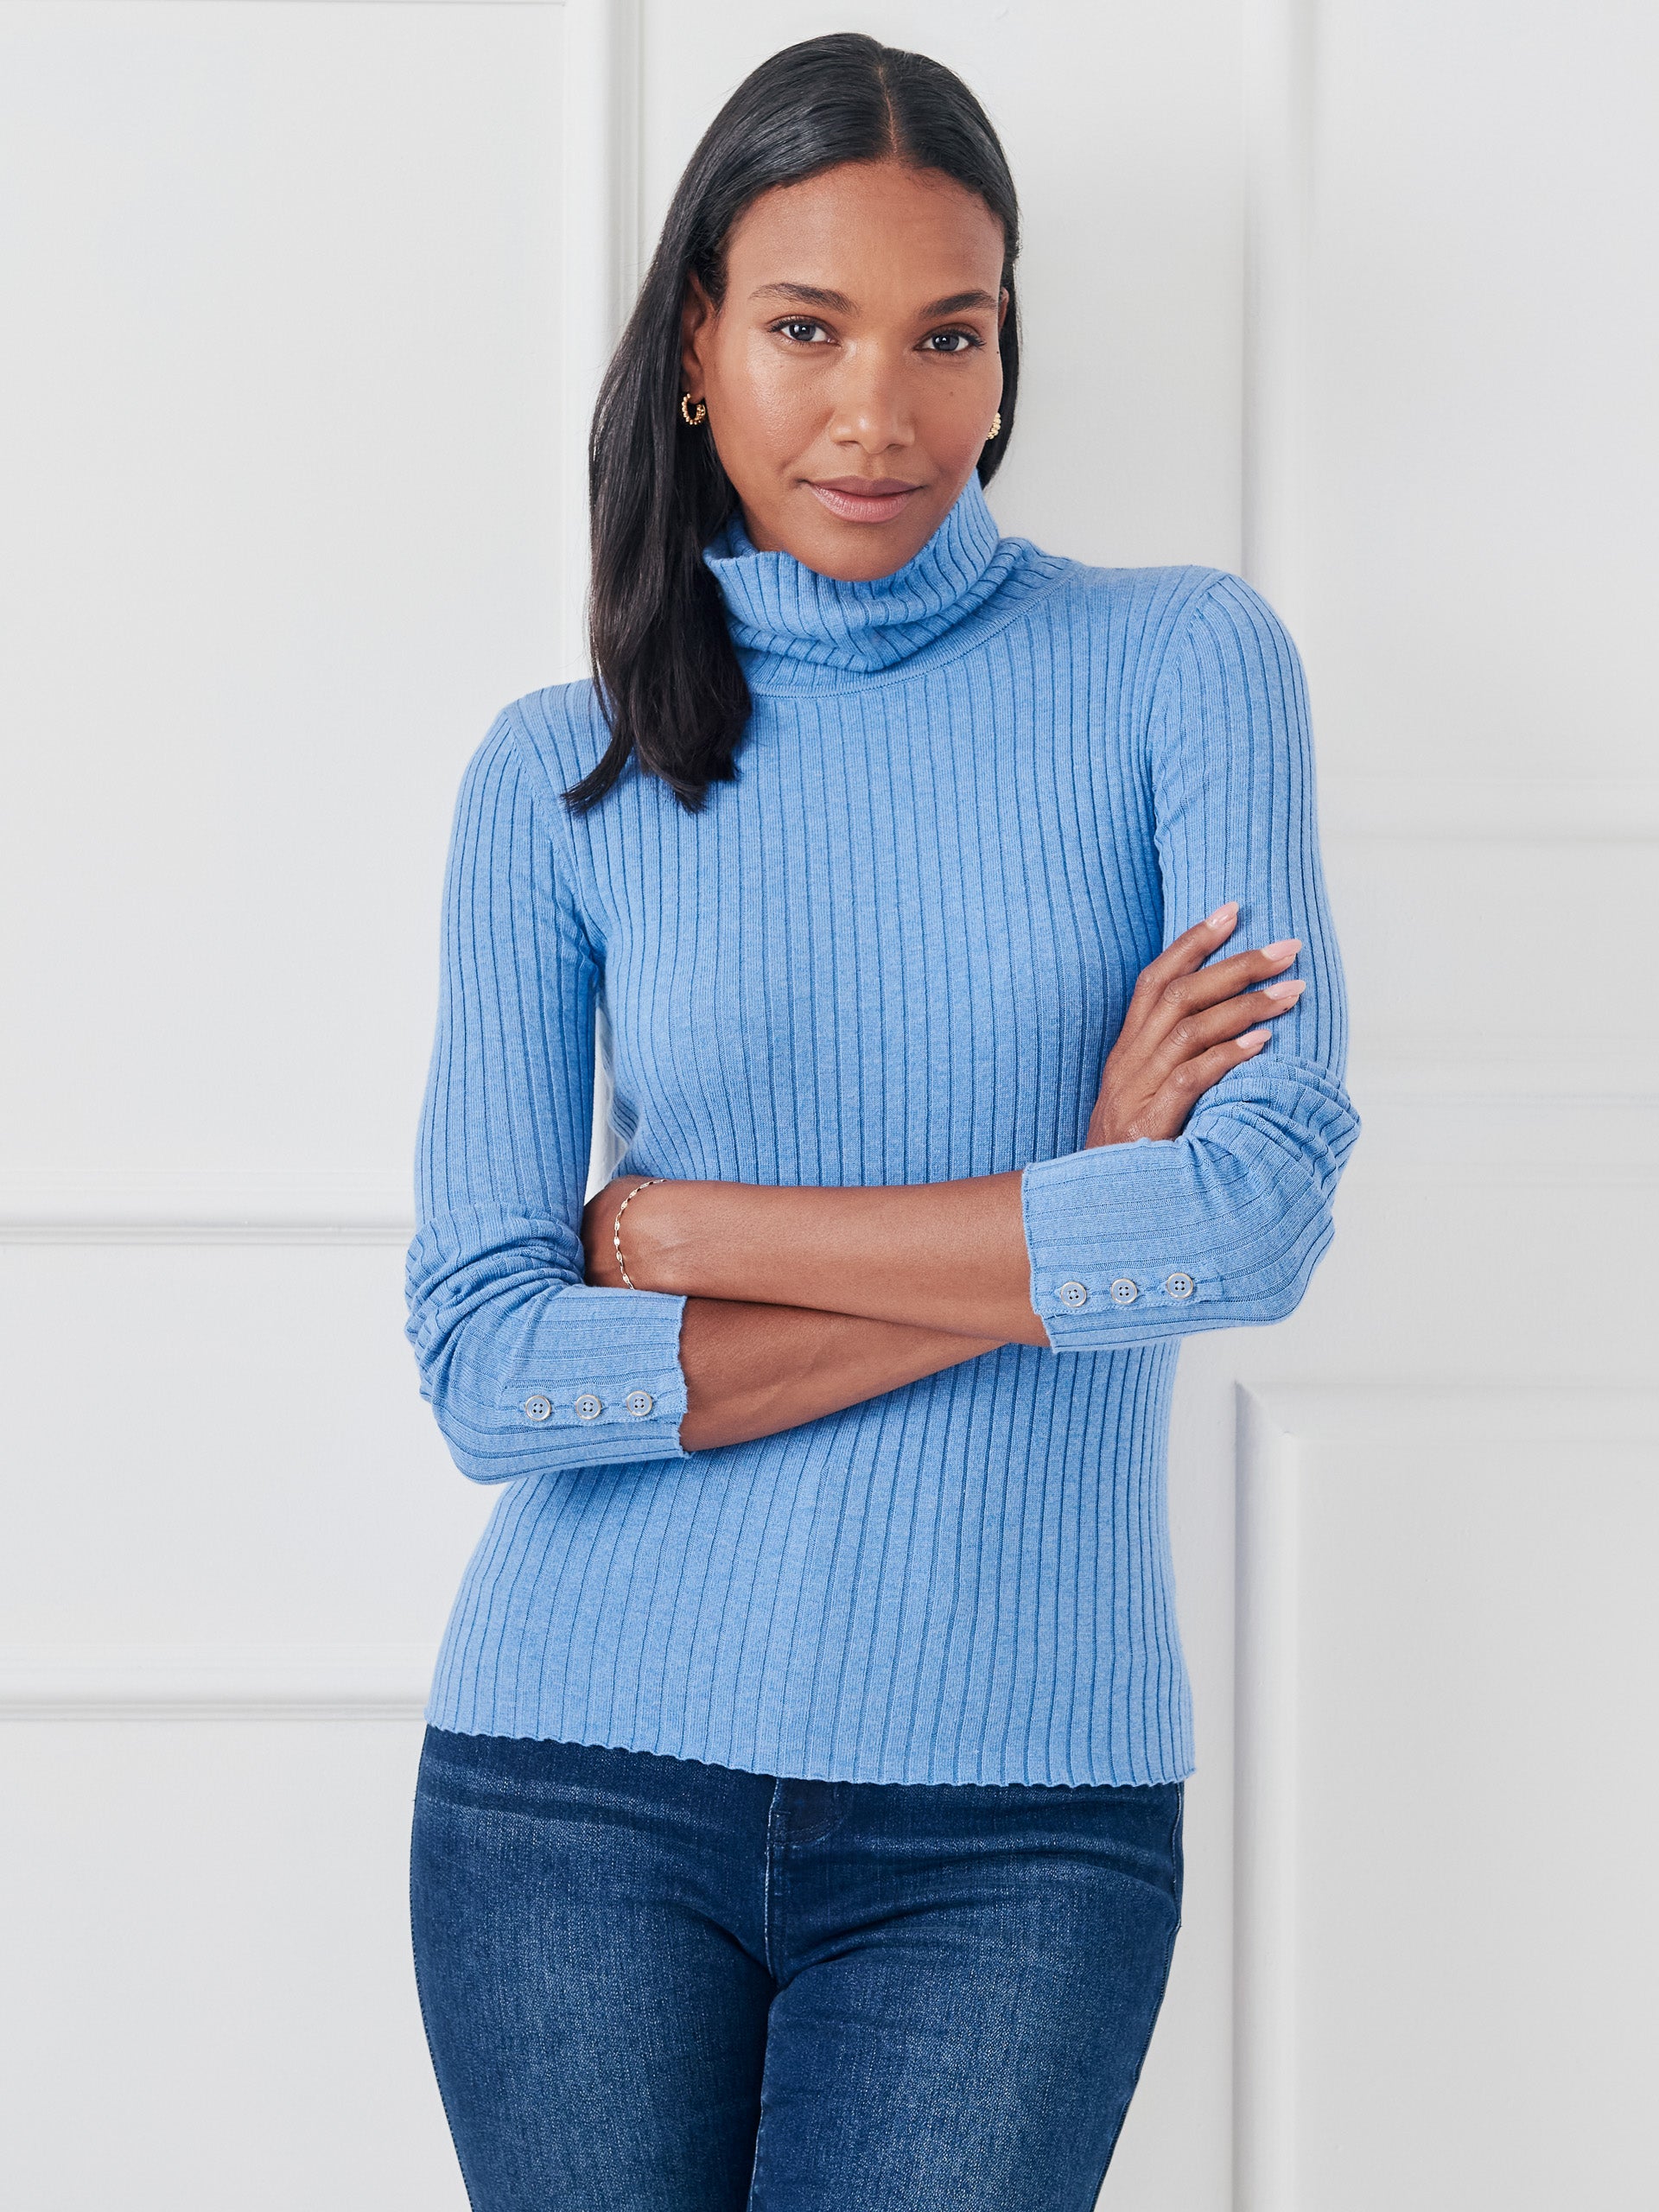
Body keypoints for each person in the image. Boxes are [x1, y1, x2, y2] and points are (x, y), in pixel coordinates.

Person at [404, 30, 1358, 2211]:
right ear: (694, 349)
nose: (882, 413)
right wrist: (1069, 1221)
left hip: (1016, 1818)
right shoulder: (557, 772)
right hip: (572, 1783)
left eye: (950, 335)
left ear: (1009, 355)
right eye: (808, 329)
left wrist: (686, 1227)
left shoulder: (1183, 666)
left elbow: (1250, 1219)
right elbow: (488, 1364)